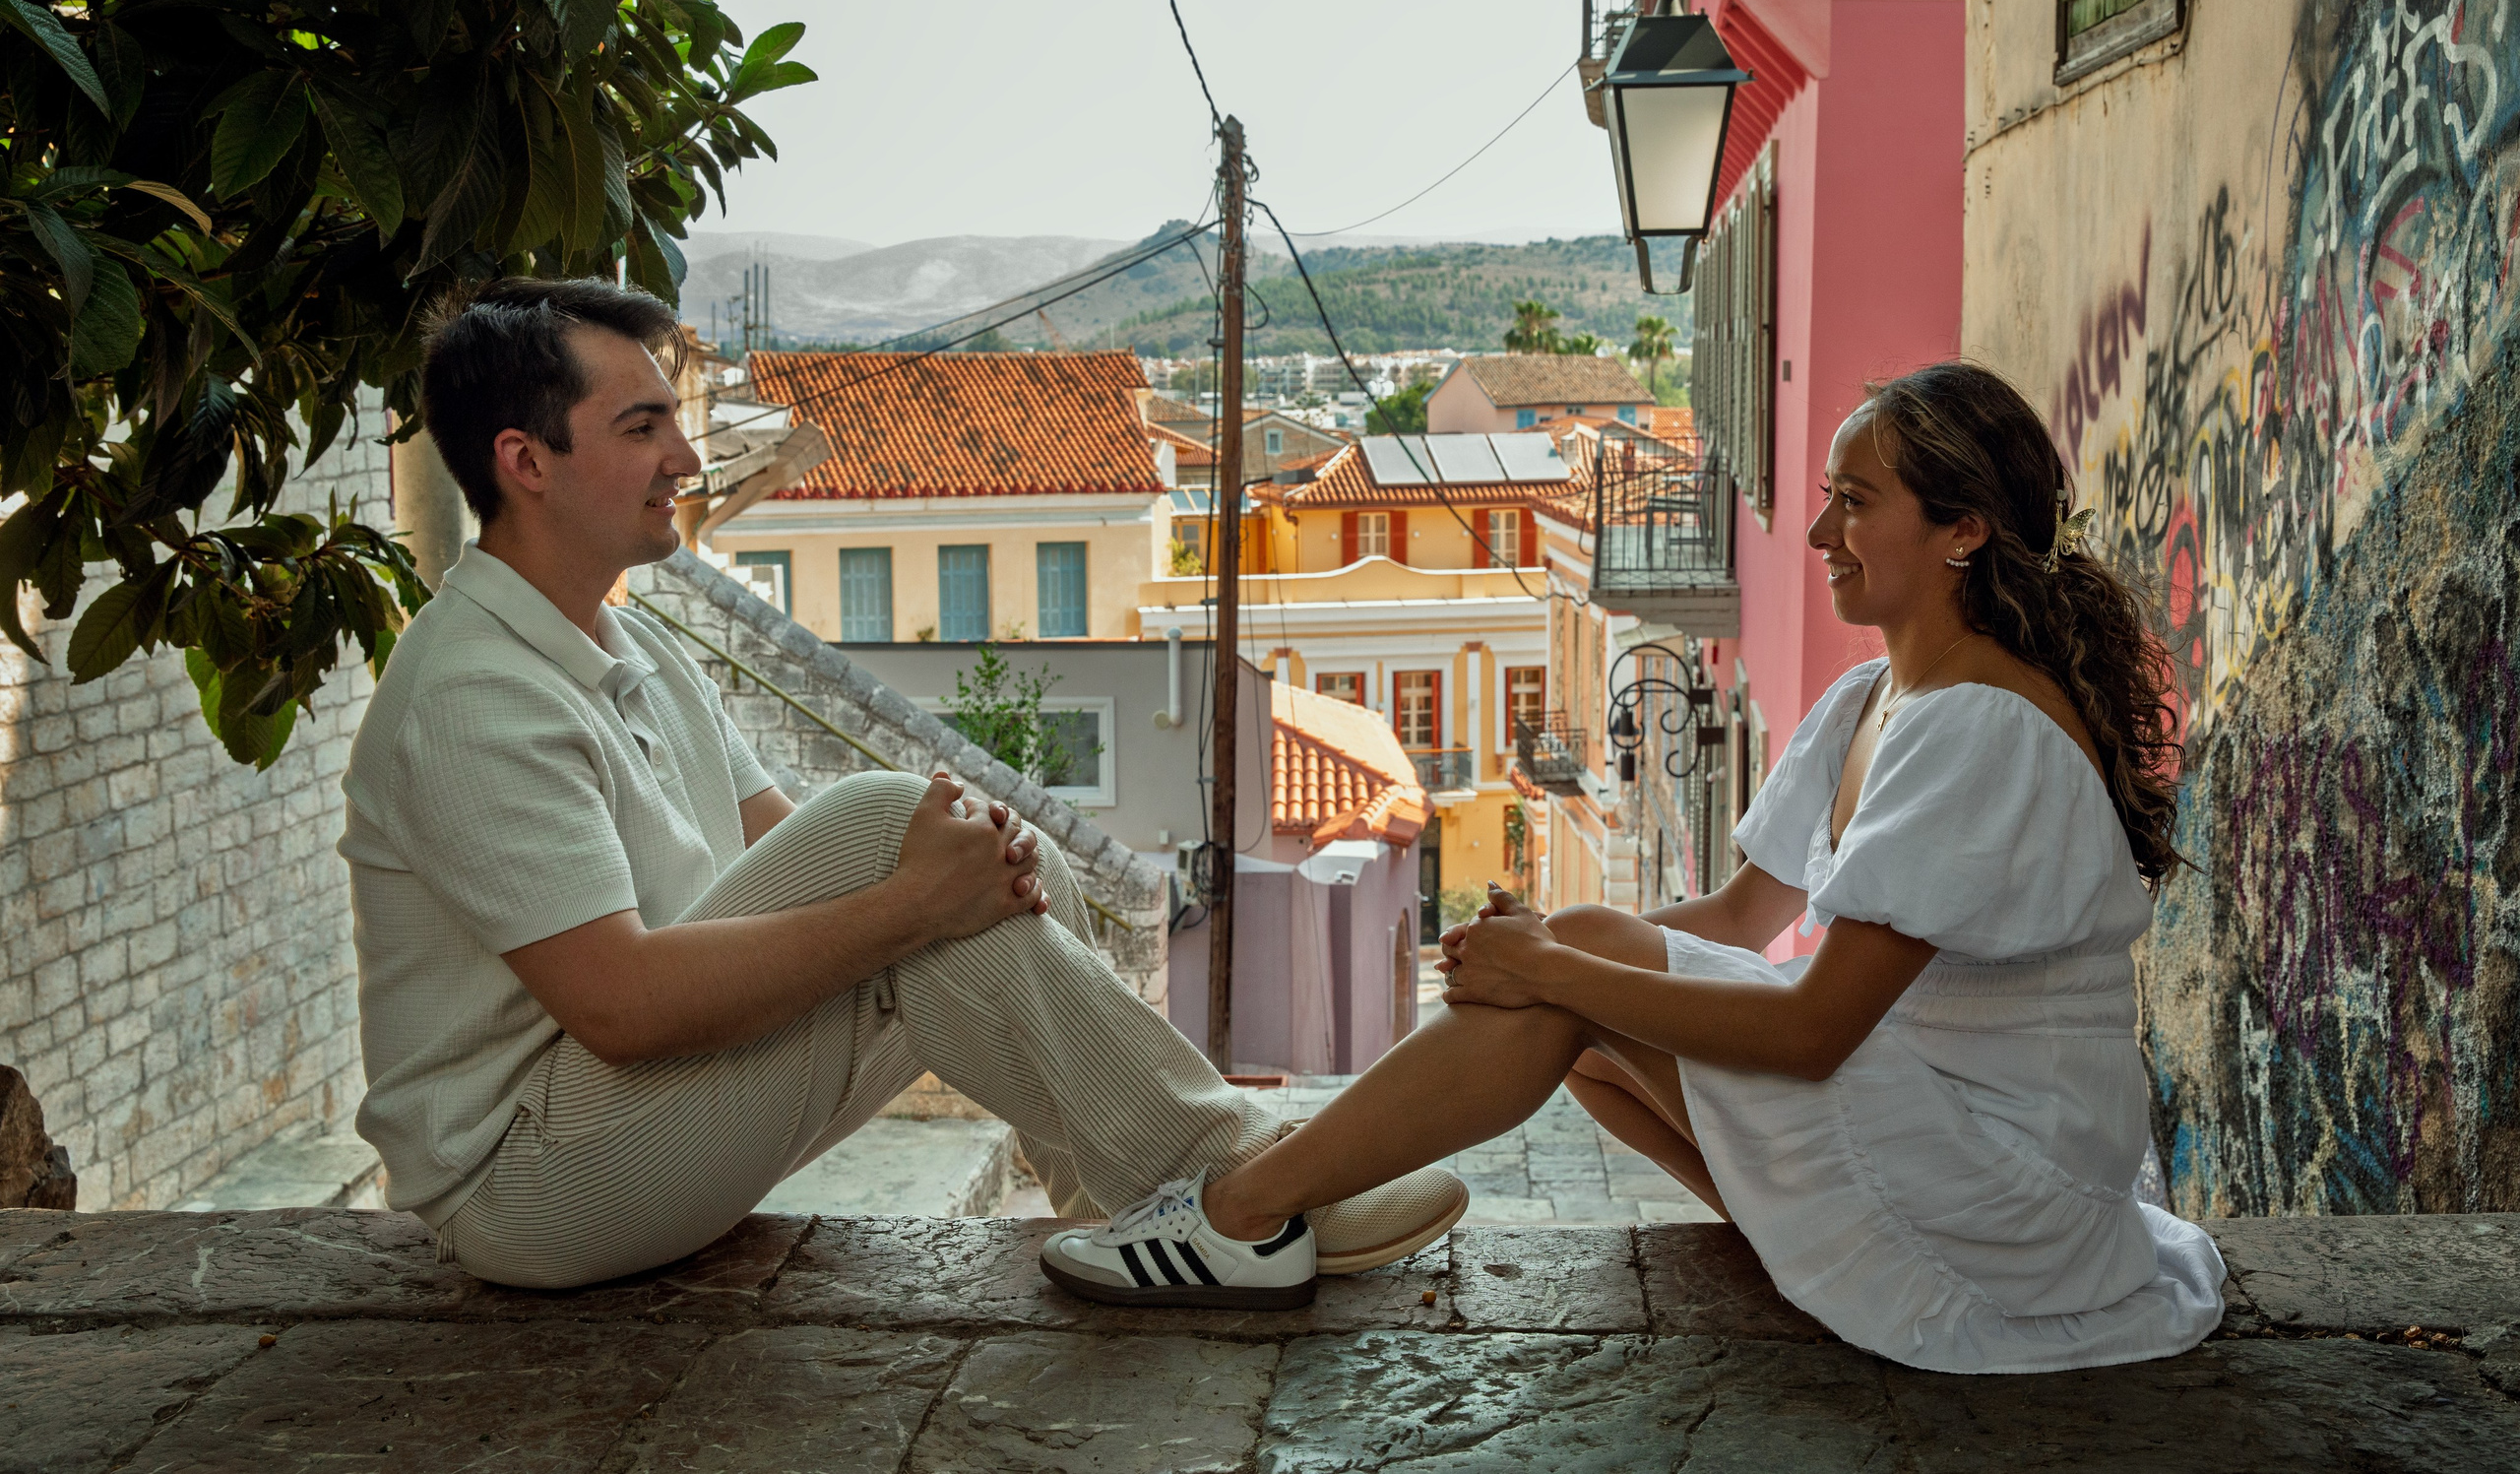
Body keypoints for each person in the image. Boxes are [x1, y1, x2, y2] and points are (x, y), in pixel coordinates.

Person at [1043, 362, 2227, 1375]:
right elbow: (1739, 914)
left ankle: (1240, 1214)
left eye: (1855, 504)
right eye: (1824, 498)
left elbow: (1815, 1030)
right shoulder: (1879, 693)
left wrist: (1551, 969)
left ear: (1962, 528)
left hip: (2009, 1188)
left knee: (1580, 988)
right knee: (1588, 1017)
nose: (1818, 534)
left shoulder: (1980, 728)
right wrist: (1542, 949)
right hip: (1939, 1122)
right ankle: (1799, 1246)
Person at [341, 277, 1463, 1296]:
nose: (686, 459)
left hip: (632, 1115)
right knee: (907, 849)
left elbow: (788, 857)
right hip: (529, 1178)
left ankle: (1145, 1218)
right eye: (643, 429)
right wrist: (910, 898)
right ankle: (1249, 1185)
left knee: (970, 852)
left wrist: (951, 876)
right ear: (524, 462)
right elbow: (623, 1007)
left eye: (675, 420)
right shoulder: (473, 698)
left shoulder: (635, 652)